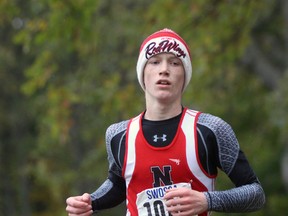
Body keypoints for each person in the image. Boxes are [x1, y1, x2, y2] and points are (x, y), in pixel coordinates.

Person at [66, 28, 265, 216]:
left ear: (184, 75)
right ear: (142, 74)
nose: (164, 70)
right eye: (154, 62)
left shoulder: (210, 130)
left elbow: (255, 194)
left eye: (174, 62)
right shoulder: (118, 134)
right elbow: (118, 184)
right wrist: (89, 202)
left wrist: (207, 200)